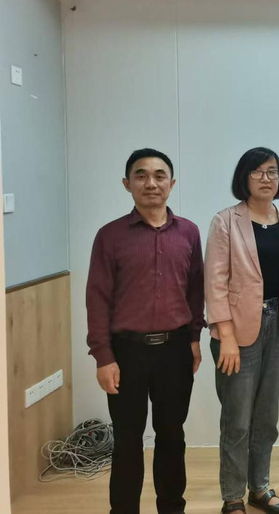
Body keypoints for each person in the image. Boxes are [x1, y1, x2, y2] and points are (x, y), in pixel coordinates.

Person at [86, 148, 204, 514]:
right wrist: (103, 357)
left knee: (172, 435)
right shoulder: (110, 236)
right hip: (126, 352)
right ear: (127, 184)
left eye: (159, 175)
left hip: (175, 350)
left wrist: (195, 339)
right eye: (141, 175)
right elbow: (97, 298)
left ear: (172, 183)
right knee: (127, 439)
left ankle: (172, 508)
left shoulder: (189, 232)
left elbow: (195, 290)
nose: (150, 183)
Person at [205, 147, 279, 514]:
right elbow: (215, 282)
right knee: (237, 421)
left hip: (278, 329)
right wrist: (226, 336)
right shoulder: (226, 221)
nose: (266, 178)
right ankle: (233, 496)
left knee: (267, 418)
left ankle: (259, 488)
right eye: (258, 172)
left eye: (273, 171)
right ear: (243, 177)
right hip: (237, 332)